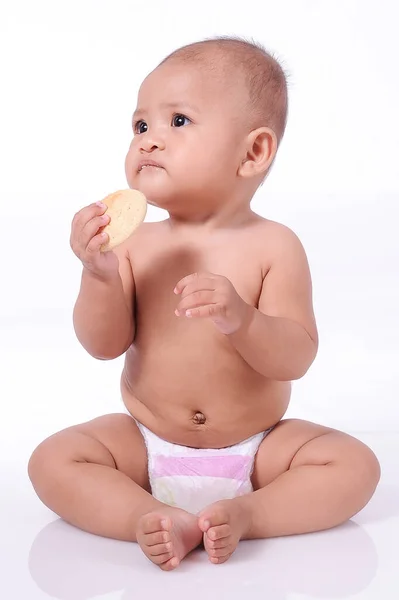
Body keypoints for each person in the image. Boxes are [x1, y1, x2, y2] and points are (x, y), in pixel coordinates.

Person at [28, 37, 380, 571]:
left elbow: (296, 358)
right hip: (146, 443)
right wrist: (97, 275)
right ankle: (144, 517)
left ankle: (247, 514)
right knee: (52, 460)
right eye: (140, 126)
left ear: (252, 152)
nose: (148, 142)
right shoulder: (134, 243)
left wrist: (243, 319)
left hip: (257, 450)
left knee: (355, 466)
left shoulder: (274, 246)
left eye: (179, 121)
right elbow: (102, 346)